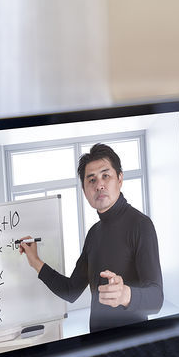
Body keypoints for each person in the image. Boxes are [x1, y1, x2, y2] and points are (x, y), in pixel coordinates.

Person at [18, 143, 164, 333]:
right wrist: (35, 262)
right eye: (91, 180)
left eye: (106, 175)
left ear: (120, 178)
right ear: (84, 190)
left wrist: (125, 295)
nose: (99, 185)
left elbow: (157, 299)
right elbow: (70, 291)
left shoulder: (141, 225)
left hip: (132, 346)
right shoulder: (94, 233)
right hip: (96, 343)